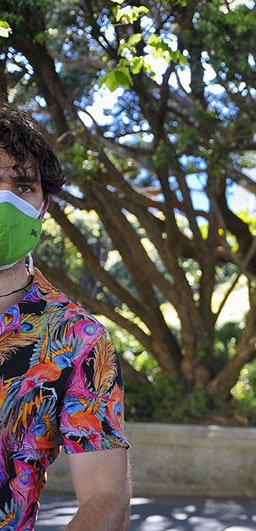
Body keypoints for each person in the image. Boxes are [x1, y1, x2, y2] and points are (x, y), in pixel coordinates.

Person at [0, 104, 131, 530]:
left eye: (22, 186)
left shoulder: (76, 339)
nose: (4, 200)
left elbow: (106, 496)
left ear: (43, 207)